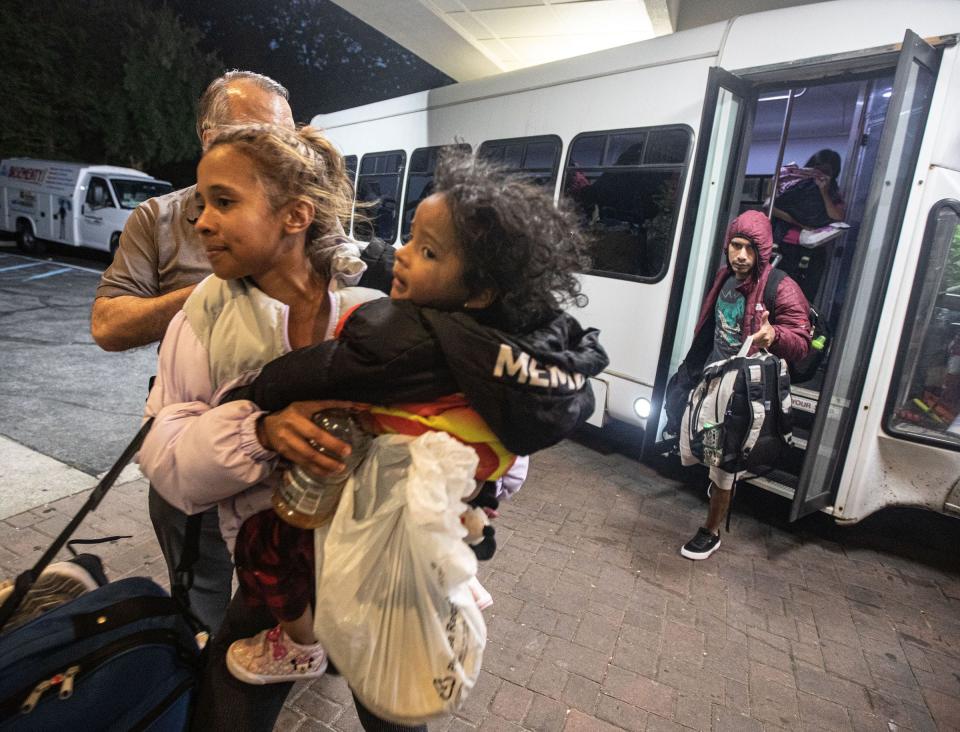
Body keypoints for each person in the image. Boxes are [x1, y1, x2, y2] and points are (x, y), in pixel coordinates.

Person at [216, 147, 607, 689]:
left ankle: (301, 647)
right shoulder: (533, 348)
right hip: (453, 506)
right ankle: (449, 583)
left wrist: (254, 390)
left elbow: (321, 370)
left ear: (480, 290)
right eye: (410, 240)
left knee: (265, 544)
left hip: (386, 501)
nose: (402, 255)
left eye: (426, 251)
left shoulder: (402, 336)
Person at [136, 123, 409, 730]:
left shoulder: (386, 301)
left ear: (295, 215)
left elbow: (487, 441)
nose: (202, 221)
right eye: (201, 203)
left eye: (224, 202)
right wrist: (257, 434)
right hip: (276, 583)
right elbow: (166, 458)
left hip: (382, 572)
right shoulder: (200, 318)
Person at [89, 70, 297, 635]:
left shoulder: (300, 209)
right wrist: (210, 290)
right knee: (202, 598)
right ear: (206, 136)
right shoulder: (158, 220)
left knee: (287, 589)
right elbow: (107, 325)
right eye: (250, 133)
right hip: (195, 435)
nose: (269, 151)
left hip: (292, 443)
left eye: (282, 139)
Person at [679, 210, 810, 560]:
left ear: (762, 252)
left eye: (749, 250)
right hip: (714, 382)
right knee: (708, 449)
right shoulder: (723, 278)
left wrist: (775, 334)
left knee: (724, 465)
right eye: (736, 246)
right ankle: (719, 489)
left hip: (745, 392)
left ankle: (710, 530)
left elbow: (801, 341)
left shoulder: (780, 286)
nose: (740, 256)